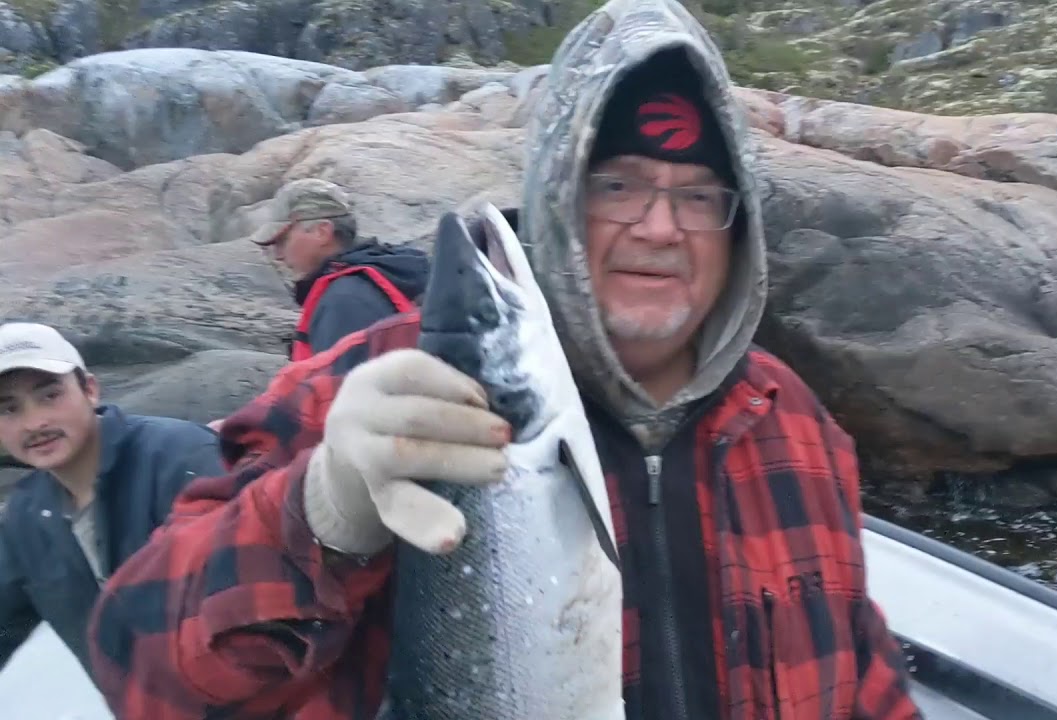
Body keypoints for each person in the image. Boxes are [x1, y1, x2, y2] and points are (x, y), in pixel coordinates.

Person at [86, 1, 923, 718]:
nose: (661, 229)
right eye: (619, 186)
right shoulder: (370, 391)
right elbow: (142, 671)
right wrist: (319, 514)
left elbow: (859, 669)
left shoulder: (798, 423)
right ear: (558, 199)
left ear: (737, 225)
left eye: (697, 196)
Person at [0, 322, 226, 677]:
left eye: (49, 395)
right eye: (9, 409)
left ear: (90, 389)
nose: (34, 422)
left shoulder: (181, 459)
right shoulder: (26, 516)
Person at [251, 177, 430, 362]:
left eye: (282, 241)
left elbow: (343, 387)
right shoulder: (391, 273)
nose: (278, 255)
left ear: (321, 232)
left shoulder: (344, 301)